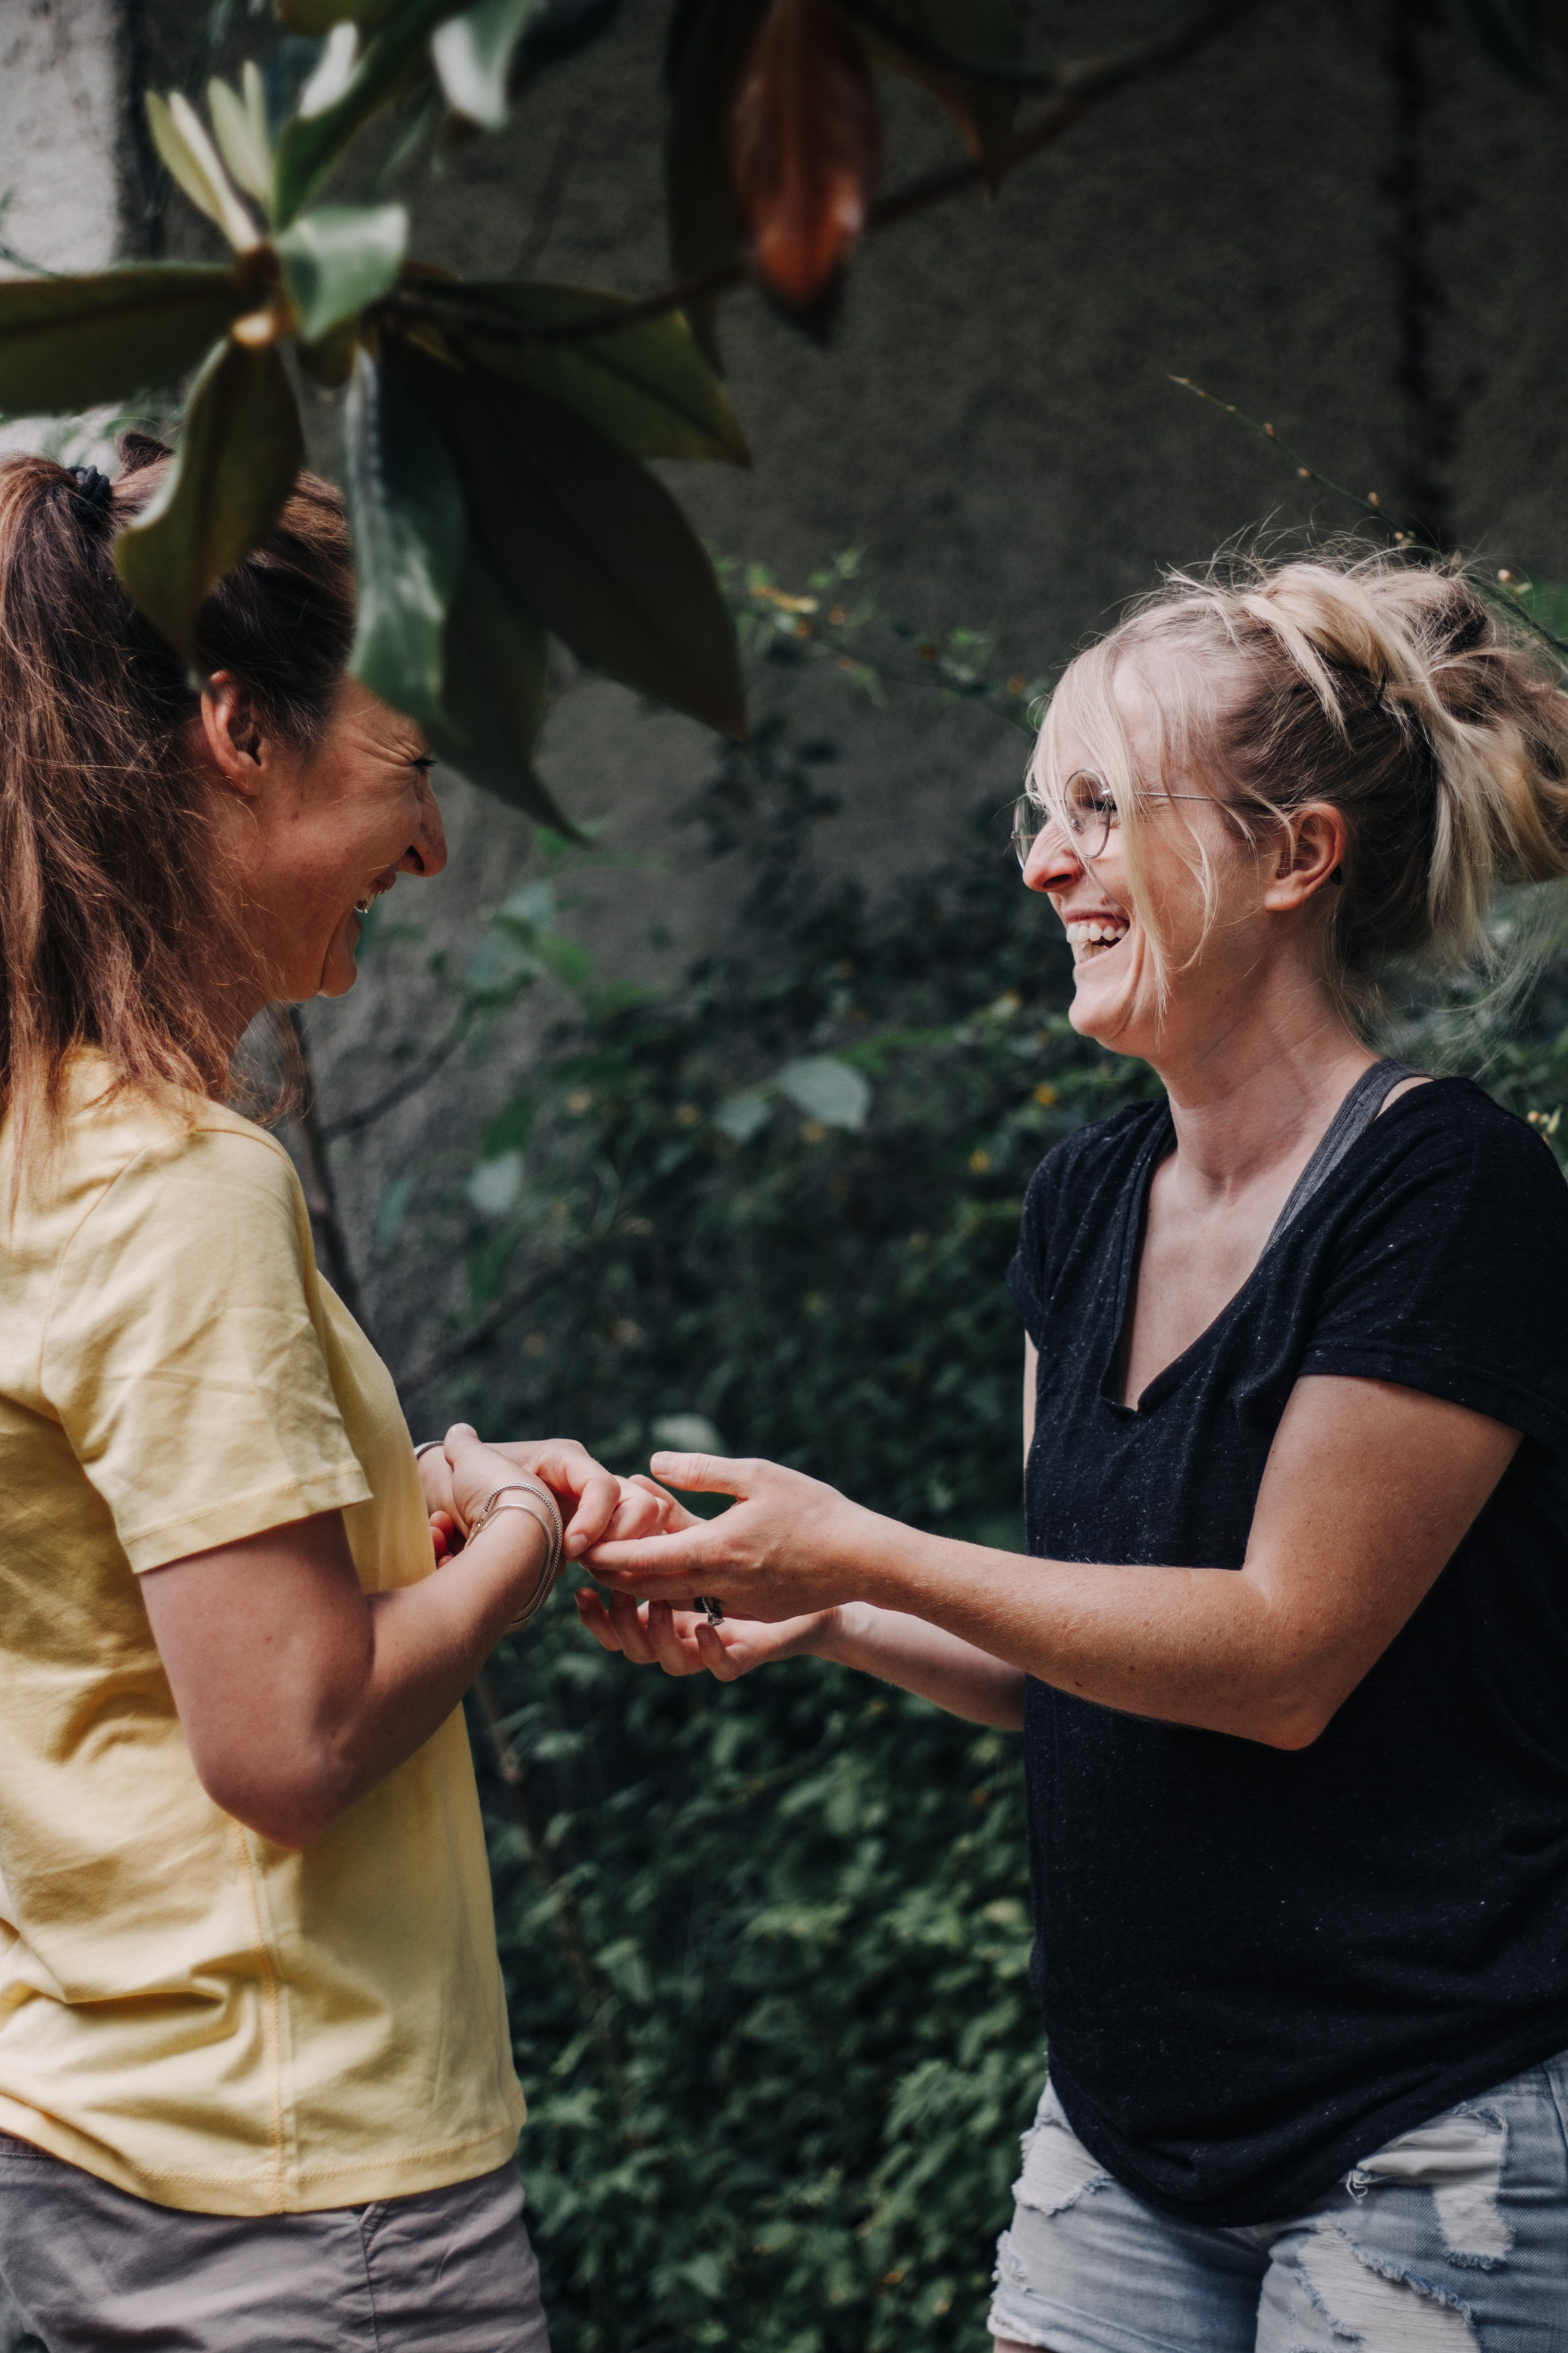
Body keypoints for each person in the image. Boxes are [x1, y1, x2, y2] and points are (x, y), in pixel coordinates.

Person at [579, 551, 1568, 2351]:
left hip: (1430, 2135)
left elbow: (1281, 1658)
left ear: (1295, 857)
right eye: (1044, 812)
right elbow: (1086, 1647)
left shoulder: (1446, 1191)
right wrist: (816, 1608)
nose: (1045, 863)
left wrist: (867, 1551)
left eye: (1104, 810)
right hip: (1130, 2137)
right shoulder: (1090, 1194)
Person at [0, 441, 622, 2351]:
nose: (432, 845)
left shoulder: (38, 1143)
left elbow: (122, 1615)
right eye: (413, 765)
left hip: (95, 2137)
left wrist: (397, 1509)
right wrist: (526, 1528)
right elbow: (290, 1730)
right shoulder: (182, 1187)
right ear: (235, 731)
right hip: (298, 2197)